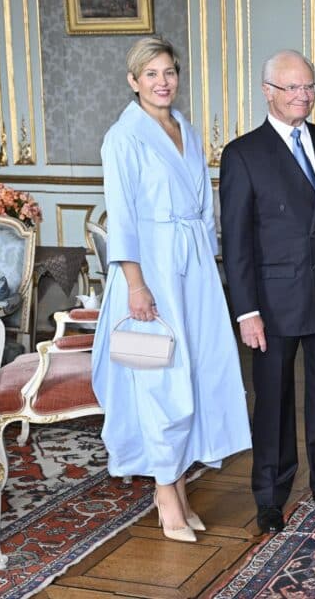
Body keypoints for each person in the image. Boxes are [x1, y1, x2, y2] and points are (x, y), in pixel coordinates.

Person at [91, 37, 252, 543]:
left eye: (170, 72)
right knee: (158, 377)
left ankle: (178, 485)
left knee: (197, 372)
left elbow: (205, 207)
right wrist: (136, 285)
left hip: (194, 271)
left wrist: (209, 270)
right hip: (151, 272)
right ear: (133, 81)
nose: (163, 82)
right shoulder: (123, 137)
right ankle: (164, 492)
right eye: (152, 74)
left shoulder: (185, 127)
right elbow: (123, 218)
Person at [219, 49, 315, 535]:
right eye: (293, 88)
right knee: (274, 401)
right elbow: (236, 241)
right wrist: (247, 311)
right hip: (273, 302)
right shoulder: (243, 153)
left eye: (309, 87)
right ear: (268, 91)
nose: (303, 96)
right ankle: (270, 494)